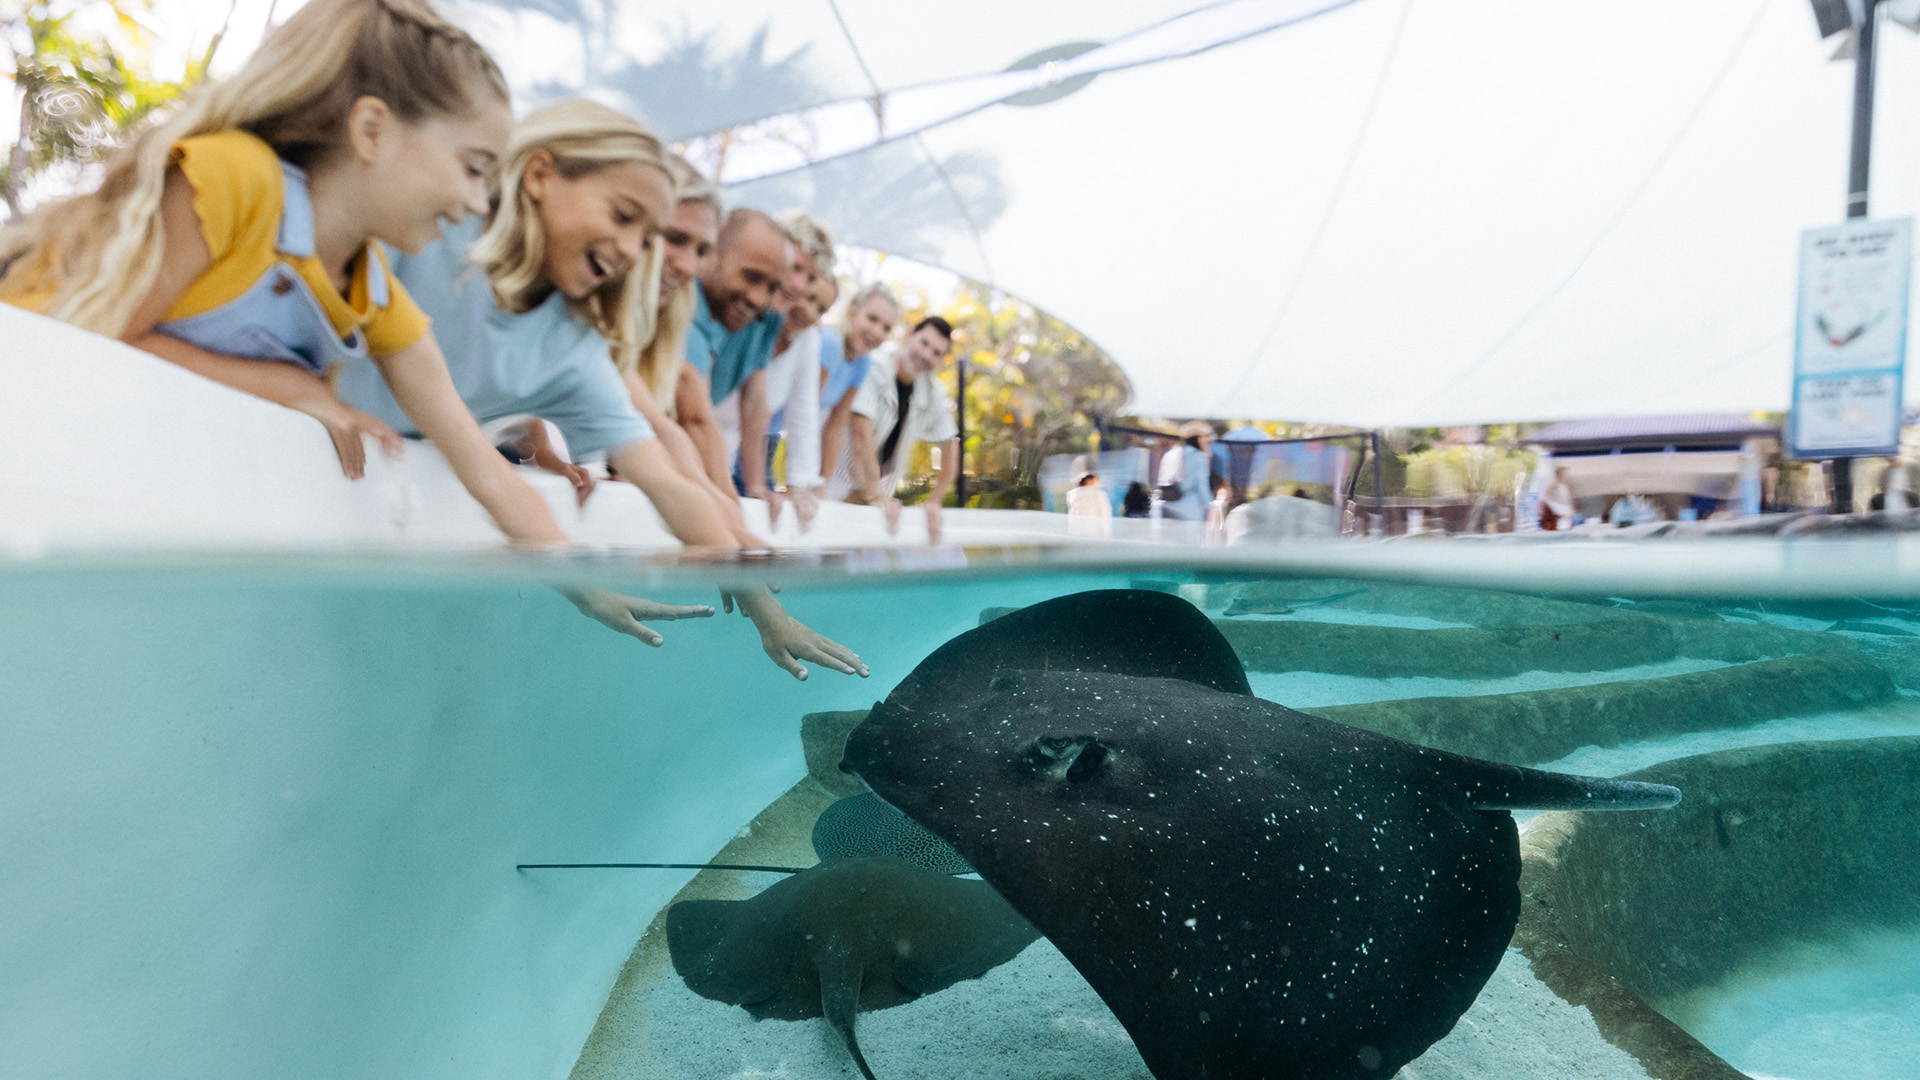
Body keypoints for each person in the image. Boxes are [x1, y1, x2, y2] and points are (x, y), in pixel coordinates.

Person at [0, 0, 598, 554]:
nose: (475, 203)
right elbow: (102, 343)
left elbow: (486, 470)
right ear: (371, 131)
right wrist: (301, 392)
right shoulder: (236, 178)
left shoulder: (372, 288)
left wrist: (584, 581)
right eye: (472, 169)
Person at [334, 100, 862, 679]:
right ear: (539, 176)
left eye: (647, 235)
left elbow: (663, 480)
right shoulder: (434, 226)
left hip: (373, 486)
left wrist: (766, 611)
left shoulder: (574, 348)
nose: (636, 250)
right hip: (304, 440)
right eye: (623, 215)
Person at [719, 211, 833, 523]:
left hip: (723, 460)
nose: (798, 285)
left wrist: (799, 484)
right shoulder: (736, 306)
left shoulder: (799, 336)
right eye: (795, 268)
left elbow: (798, 412)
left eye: (810, 278)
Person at [847, 316, 959, 543]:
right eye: (924, 343)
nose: (927, 355)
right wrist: (874, 492)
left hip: (878, 501)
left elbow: (951, 444)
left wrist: (934, 500)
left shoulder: (932, 390)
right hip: (840, 484)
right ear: (908, 336)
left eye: (937, 353)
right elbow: (860, 432)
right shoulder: (875, 363)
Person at [820, 282, 901, 498]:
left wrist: (822, 485)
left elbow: (835, 427)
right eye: (872, 319)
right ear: (852, 311)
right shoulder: (829, 344)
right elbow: (803, 418)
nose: (877, 331)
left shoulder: (862, 363)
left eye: (886, 327)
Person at [1156, 421, 1216, 522]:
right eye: (1207, 437)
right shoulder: (1199, 456)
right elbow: (1201, 483)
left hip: (1165, 506)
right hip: (1189, 508)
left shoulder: (1171, 452)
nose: (1210, 440)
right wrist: (1209, 506)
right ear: (1199, 438)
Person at [1065, 472, 1112, 538]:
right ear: (1091, 482)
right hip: (1094, 534)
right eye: (1098, 482)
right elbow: (1104, 516)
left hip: (1076, 534)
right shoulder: (1099, 494)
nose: (1100, 485)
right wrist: (1106, 536)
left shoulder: (1071, 495)